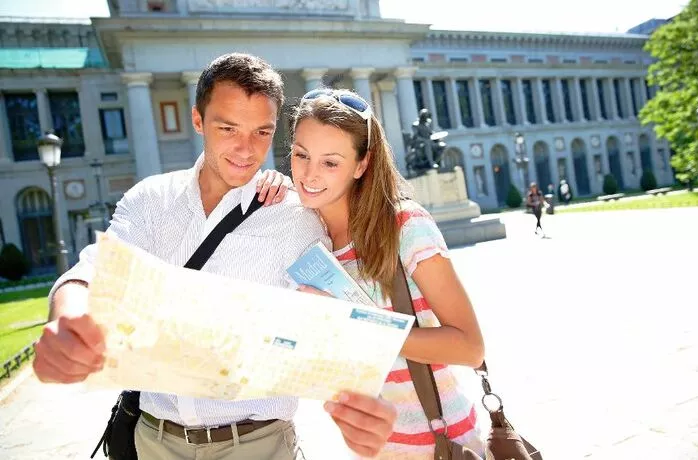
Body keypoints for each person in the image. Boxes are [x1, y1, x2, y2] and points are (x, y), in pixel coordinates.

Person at [32, 53, 396, 460]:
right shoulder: (150, 200)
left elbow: (327, 326)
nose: (246, 149)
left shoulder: (299, 220)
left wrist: (361, 402)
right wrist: (67, 316)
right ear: (198, 121)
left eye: (262, 132)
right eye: (228, 128)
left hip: (258, 444)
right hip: (153, 440)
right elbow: (93, 270)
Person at [289, 88, 488, 459]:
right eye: (301, 155)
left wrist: (360, 325)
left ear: (361, 165)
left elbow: (470, 347)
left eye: (330, 163)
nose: (309, 174)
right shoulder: (306, 239)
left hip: (439, 446)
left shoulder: (405, 226)